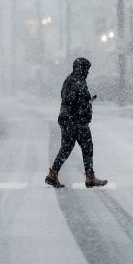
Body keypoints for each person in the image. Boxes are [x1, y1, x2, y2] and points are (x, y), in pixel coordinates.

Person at [45, 57, 108, 188]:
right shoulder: (75, 82)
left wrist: (86, 100)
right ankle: (89, 177)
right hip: (75, 121)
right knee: (86, 147)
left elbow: (71, 98)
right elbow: (71, 99)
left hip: (71, 120)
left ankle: (54, 174)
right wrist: (84, 101)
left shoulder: (73, 80)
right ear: (81, 69)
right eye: (86, 69)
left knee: (69, 148)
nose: (88, 72)